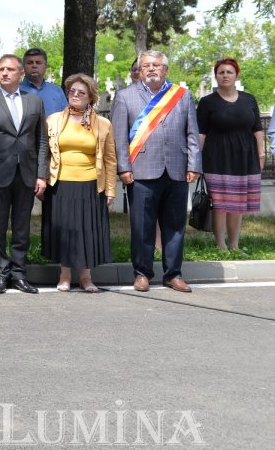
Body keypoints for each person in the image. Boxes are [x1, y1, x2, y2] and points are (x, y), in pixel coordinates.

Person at [110, 49, 201, 293]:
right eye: (146, 65)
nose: (151, 69)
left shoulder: (181, 95)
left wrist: (194, 165)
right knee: (142, 227)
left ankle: (173, 274)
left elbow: (192, 133)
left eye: (156, 65)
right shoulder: (125, 96)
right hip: (140, 172)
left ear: (166, 70)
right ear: (139, 70)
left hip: (177, 171)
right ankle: (142, 273)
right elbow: (118, 138)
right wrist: (123, 168)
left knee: (174, 226)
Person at [0, 54, 48, 294]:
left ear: (20, 73)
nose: (4, 73)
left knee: (22, 227)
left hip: (26, 173)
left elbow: (42, 140)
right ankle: (0, 274)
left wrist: (42, 175)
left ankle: (19, 274)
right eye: (1, 69)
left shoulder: (34, 102)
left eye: (10, 69)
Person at [42, 75, 116, 292]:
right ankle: (64, 275)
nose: (75, 95)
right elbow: (44, 153)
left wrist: (111, 188)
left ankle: (86, 277)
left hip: (91, 184)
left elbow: (111, 159)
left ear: (90, 97)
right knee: (65, 229)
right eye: (72, 91)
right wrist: (42, 180)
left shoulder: (103, 124)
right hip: (61, 183)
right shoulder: (53, 120)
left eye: (80, 92)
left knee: (87, 230)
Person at [197, 58, 263, 252]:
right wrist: (196, 162)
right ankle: (221, 245)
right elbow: (201, 133)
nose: (225, 75)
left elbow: (257, 129)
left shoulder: (249, 99)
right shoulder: (207, 102)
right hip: (216, 157)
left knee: (238, 202)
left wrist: (260, 154)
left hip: (245, 156)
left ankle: (234, 245)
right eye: (221, 72)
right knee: (220, 203)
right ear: (216, 76)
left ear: (236, 75)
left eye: (229, 72)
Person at [20, 47, 67, 117]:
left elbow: (66, 118)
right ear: (23, 66)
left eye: (38, 63)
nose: (34, 66)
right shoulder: (14, 91)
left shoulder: (57, 91)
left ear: (45, 66)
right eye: (30, 63)